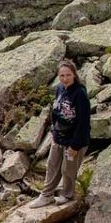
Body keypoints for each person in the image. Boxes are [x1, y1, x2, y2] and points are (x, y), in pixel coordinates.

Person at [30, 59, 91, 208]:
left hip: (75, 141)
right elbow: (55, 112)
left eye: (68, 75)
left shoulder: (80, 94)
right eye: (62, 75)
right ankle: (46, 196)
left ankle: (67, 195)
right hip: (59, 138)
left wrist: (75, 146)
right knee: (52, 166)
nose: (65, 78)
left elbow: (83, 122)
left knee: (68, 170)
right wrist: (54, 131)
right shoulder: (59, 89)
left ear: (74, 75)